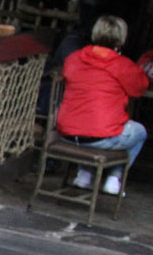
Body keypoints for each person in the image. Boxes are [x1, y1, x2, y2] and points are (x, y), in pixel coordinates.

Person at [57, 15, 149, 195]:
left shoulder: (75, 58)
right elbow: (140, 88)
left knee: (87, 122)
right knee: (139, 132)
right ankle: (114, 178)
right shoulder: (122, 65)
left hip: (67, 132)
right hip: (100, 138)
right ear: (122, 39)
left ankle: (84, 175)